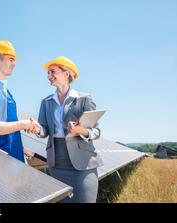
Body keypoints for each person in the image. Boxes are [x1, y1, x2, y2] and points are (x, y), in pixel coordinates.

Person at [35, 56, 104, 203]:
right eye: (48, 73)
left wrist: (80, 130)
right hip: (57, 164)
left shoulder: (84, 99)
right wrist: (36, 129)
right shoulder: (46, 102)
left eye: (52, 72)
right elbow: (44, 129)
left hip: (83, 165)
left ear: (66, 74)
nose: (49, 76)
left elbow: (96, 131)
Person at [0, 40, 39, 162]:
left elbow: (6, 126)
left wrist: (20, 148)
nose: (14, 64)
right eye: (11, 59)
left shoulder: (4, 90)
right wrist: (24, 124)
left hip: (12, 159)